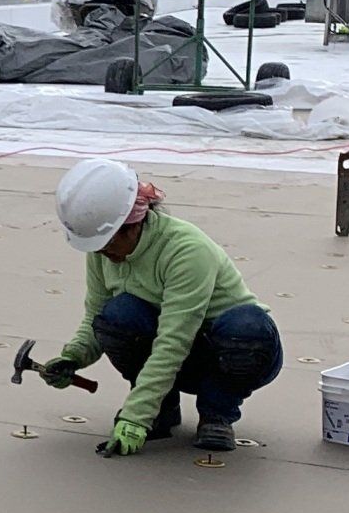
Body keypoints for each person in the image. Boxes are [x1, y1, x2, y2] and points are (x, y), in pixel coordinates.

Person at [40, 156, 282, 454]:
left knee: (245, 326)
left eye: (106, 244)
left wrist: (136, 416)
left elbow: (173, 341)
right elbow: (95, 315)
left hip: (230, 353)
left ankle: (217, 413)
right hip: (184, 357)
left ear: (132, 225)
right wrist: (73, 357)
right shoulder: (103, 251)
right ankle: (163, 411)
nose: (102, 253)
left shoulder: (186, 250)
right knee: (117, 315)